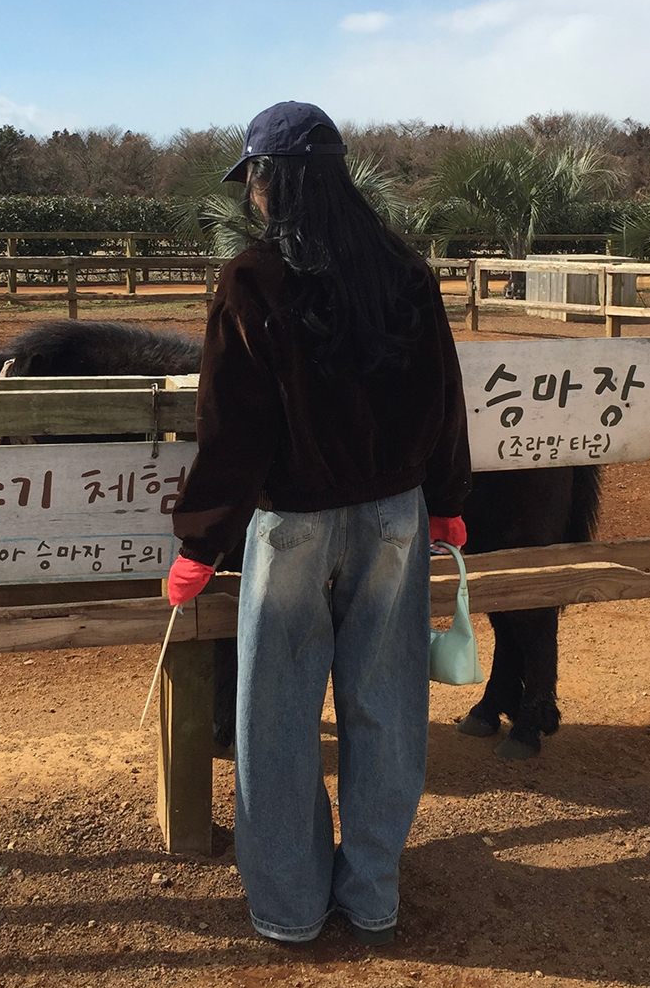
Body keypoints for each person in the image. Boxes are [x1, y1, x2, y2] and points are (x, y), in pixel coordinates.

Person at [168, 101, 471, 945]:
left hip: (293, 524)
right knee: (386, 706)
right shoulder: (404, 271)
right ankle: (372, 895)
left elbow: (233, 427)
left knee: (277, 718)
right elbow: (443, 396)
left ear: (274, 180)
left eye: (254, 179)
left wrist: (201, 542)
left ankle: (291, 908)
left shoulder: (253, 279)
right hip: (396, 519)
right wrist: (448, 500)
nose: (251, 194)